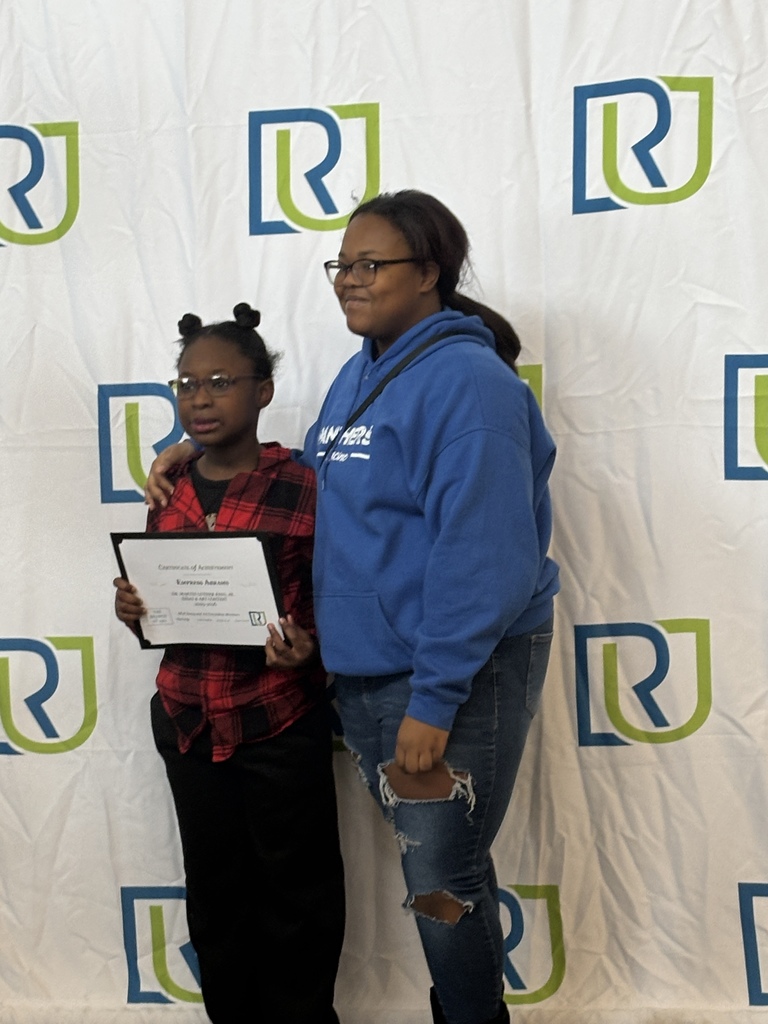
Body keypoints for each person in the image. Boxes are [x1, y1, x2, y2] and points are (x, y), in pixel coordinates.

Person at [147, 193, 559, 1024]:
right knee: (440, 869)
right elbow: (330, 479)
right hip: (369, 671)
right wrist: (201, 445)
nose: (349, 280)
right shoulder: (362, 371)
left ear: (429, 273)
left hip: (444, 673)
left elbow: (485, 557)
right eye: (342, 264)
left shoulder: (470, 386)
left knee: (443, 879)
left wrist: (434, 699)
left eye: (372, 264)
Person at [114, 304, 345, 1024]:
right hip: (187, 718)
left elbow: (338, 594)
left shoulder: (306, 484)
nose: (200, 399)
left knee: (299, 894)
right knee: (215, 894)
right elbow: (164, 600)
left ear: (263, 390)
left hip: (279, 718)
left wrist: (312, 647)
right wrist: (133, 607)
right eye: (186, 384)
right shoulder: (168, 487)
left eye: (220, 382)